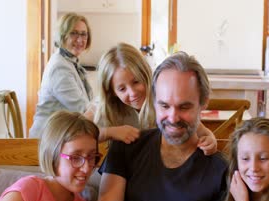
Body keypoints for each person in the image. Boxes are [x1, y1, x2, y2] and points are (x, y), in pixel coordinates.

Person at [94, 51, 228, 201]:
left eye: (184, 107)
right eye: (164, 106)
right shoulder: (125, 147)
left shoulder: (220, 170)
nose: (173, 118)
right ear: (154, 102)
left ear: (203, 103)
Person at [84, 42, 217, 154]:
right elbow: (73, 134)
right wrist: (110, 132)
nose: (132, 93)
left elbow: (203, 132)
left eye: (136, 82)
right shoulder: (102, 107)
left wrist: (211, 141)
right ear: (111, 91)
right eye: (122, 89)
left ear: (146, 75)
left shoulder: (162, 100)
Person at [29, 13, 94, 138]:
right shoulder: (60, 67)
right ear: (62, 35)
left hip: (61, 134)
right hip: (47, 140)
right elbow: (83, 110)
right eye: (74, 33)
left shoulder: (69, 62)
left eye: (83, 34)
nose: (80, 40)